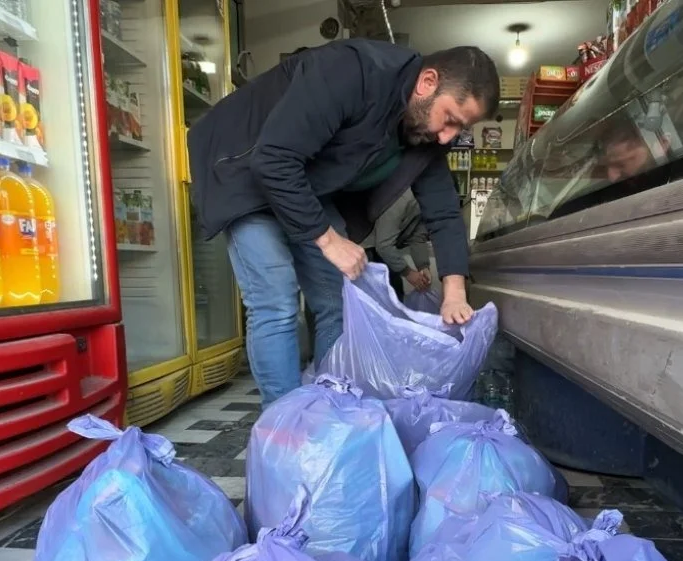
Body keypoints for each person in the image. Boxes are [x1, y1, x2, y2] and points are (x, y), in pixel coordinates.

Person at [188, 40, 499, 405]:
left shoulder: (426, 133)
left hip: (305, 184)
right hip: (245, 172)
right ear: (427, 82)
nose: (447, 136)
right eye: (450, 120)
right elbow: (274, 160)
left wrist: (455, 293)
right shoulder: (352, 71)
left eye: (459, 129)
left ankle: (331, 406)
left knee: (338, 300)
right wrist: (329, 240)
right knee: (277, 301)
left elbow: (443, 209)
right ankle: (283, 420)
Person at [361, 189, 431, 302]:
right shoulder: (402, 198)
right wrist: (408, 273)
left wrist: (423, 267)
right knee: (373, 296)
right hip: (364, 243)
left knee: (395, 291)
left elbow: (417, 237)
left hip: (380, 246)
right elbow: (384, 245)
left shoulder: (425, 205)